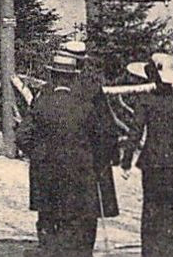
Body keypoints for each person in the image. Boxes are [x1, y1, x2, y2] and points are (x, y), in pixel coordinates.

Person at [18, 49, 115, 255]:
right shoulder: (85, 106)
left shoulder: (41, 101)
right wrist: (95, 162)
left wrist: (39, 155)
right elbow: (103, 137)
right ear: (73, 75)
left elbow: (22, 136)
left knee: (50, 234)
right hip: (81, 179)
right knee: (80, 234)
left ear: (53, 75)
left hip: (47, 180)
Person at [120, 52, 173, 256]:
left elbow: (135, 133)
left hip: (153, 163)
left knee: (152, 213)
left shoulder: (145, 101)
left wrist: (126, 162)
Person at [61, 39, 122, 223]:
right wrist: (112, 154)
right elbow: (107, 125)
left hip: (60, 154)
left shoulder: (55, 86)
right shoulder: (92, 87)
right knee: (88, 208)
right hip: (88, 155)